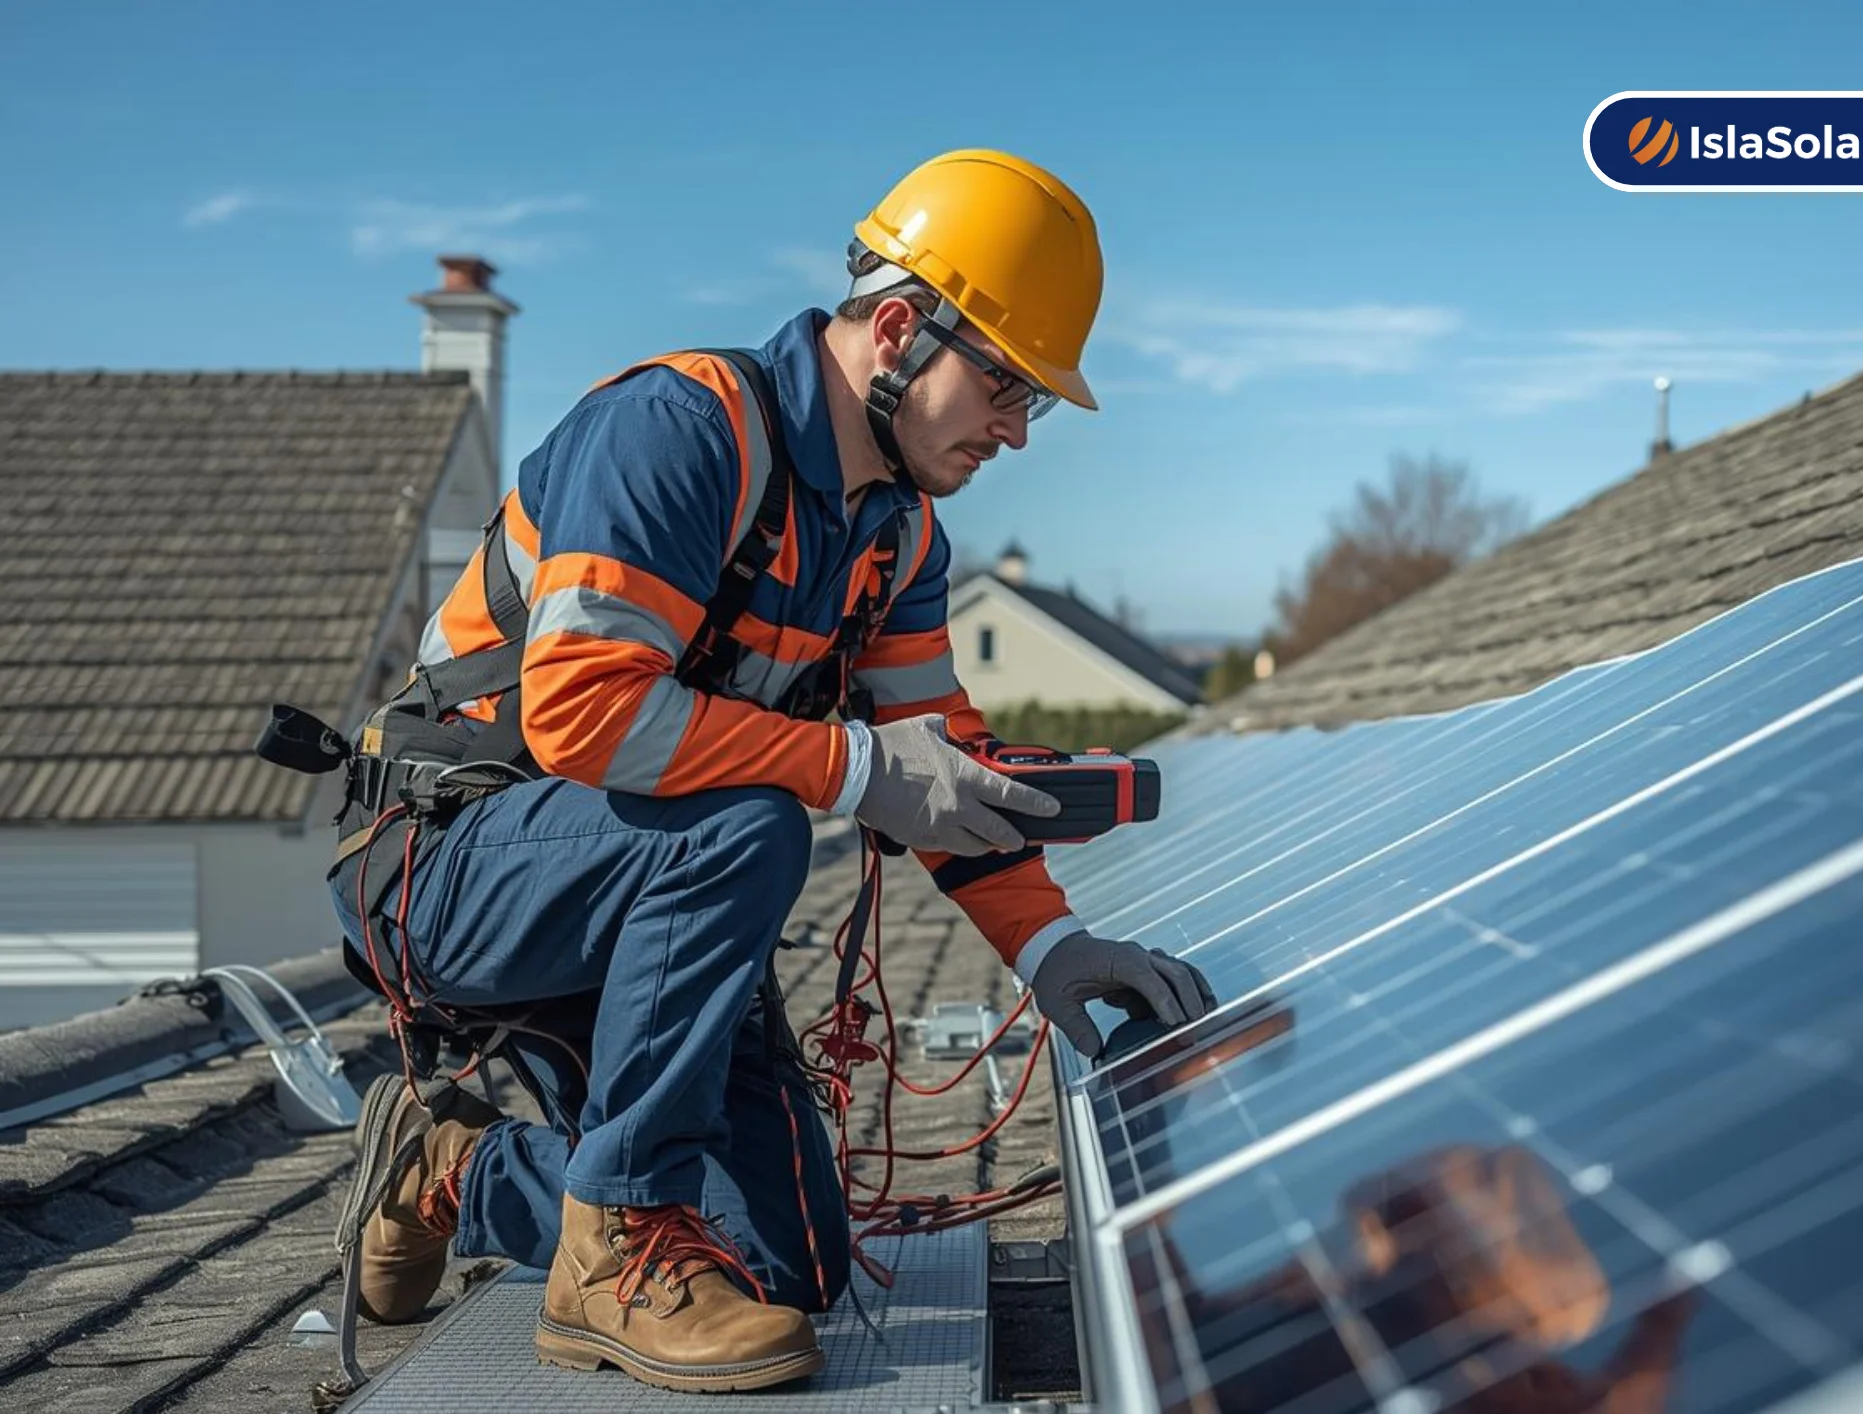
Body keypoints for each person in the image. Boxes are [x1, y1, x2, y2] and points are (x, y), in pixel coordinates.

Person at [327, 148, 1218, 1394]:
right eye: (1007, 386)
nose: (1017, 430)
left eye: (1037, 403)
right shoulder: (677, 431)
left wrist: (1050, 945)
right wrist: (853, 769)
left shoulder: (896, 536)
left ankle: (452, 1172)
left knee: (789, 1260)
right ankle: (612, 1235)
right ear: (899, 331)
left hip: (641, 897)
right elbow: (585, 714)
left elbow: (940, 769)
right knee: (751, 825)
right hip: (447, 871)